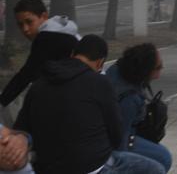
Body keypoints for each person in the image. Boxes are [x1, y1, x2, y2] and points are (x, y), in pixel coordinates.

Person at [15, 34, 164, 174]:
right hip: (92, 167)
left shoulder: (39, 85)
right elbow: (116, 135)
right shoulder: (99, 83)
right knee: (156, 168)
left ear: (73, 54)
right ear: (100, 63)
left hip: (47, 166)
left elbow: (21, 128)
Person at [0, 0, 80, 110]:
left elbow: (26, 74)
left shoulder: (45, 38)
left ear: (44, 16)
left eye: (29, 22)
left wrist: (2, 101)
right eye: (20, 25)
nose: (25, 29)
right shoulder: (65, 32)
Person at [105, 43, 172, 171]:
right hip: (119, 139)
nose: (159, 75)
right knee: (163, 158)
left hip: (119, 133)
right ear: (144, 69)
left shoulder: (119, 70)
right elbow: (120, 141)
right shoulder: (128, 98)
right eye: (158, 68)